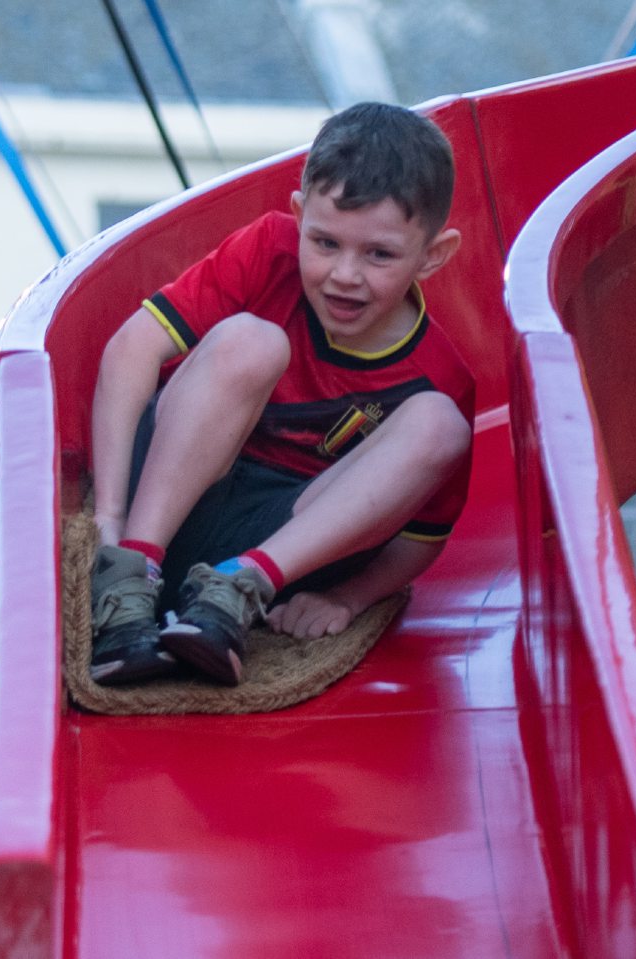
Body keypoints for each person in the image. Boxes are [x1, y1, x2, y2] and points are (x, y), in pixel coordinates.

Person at [88, 101, 475, 687]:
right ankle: (129, 573)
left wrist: (347, 598)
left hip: (279, 550)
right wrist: (109, 516)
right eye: (324, 243)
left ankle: (233, 594)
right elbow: (130, 351)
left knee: (440, 425)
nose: (345, 274)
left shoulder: (435, 375)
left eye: (379, 254)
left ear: (433, 256)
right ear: (298, 218)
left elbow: (421, 539)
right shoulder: (269, 252)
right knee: (252, 341)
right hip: (174, 496)